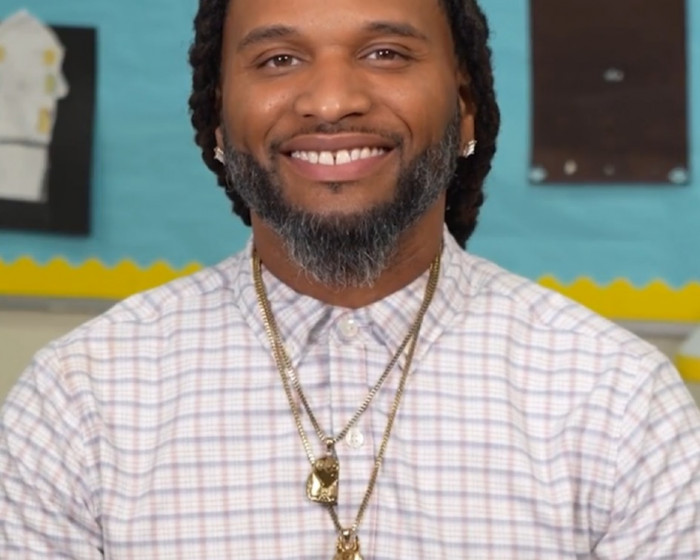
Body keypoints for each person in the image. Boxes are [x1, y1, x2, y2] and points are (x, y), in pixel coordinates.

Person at [1, 0, 699, 557]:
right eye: (278, 59)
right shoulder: (79, 400)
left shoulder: (618, 401)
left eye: (385, 53)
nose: (331, 101)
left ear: (465, 107)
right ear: (215, 118)